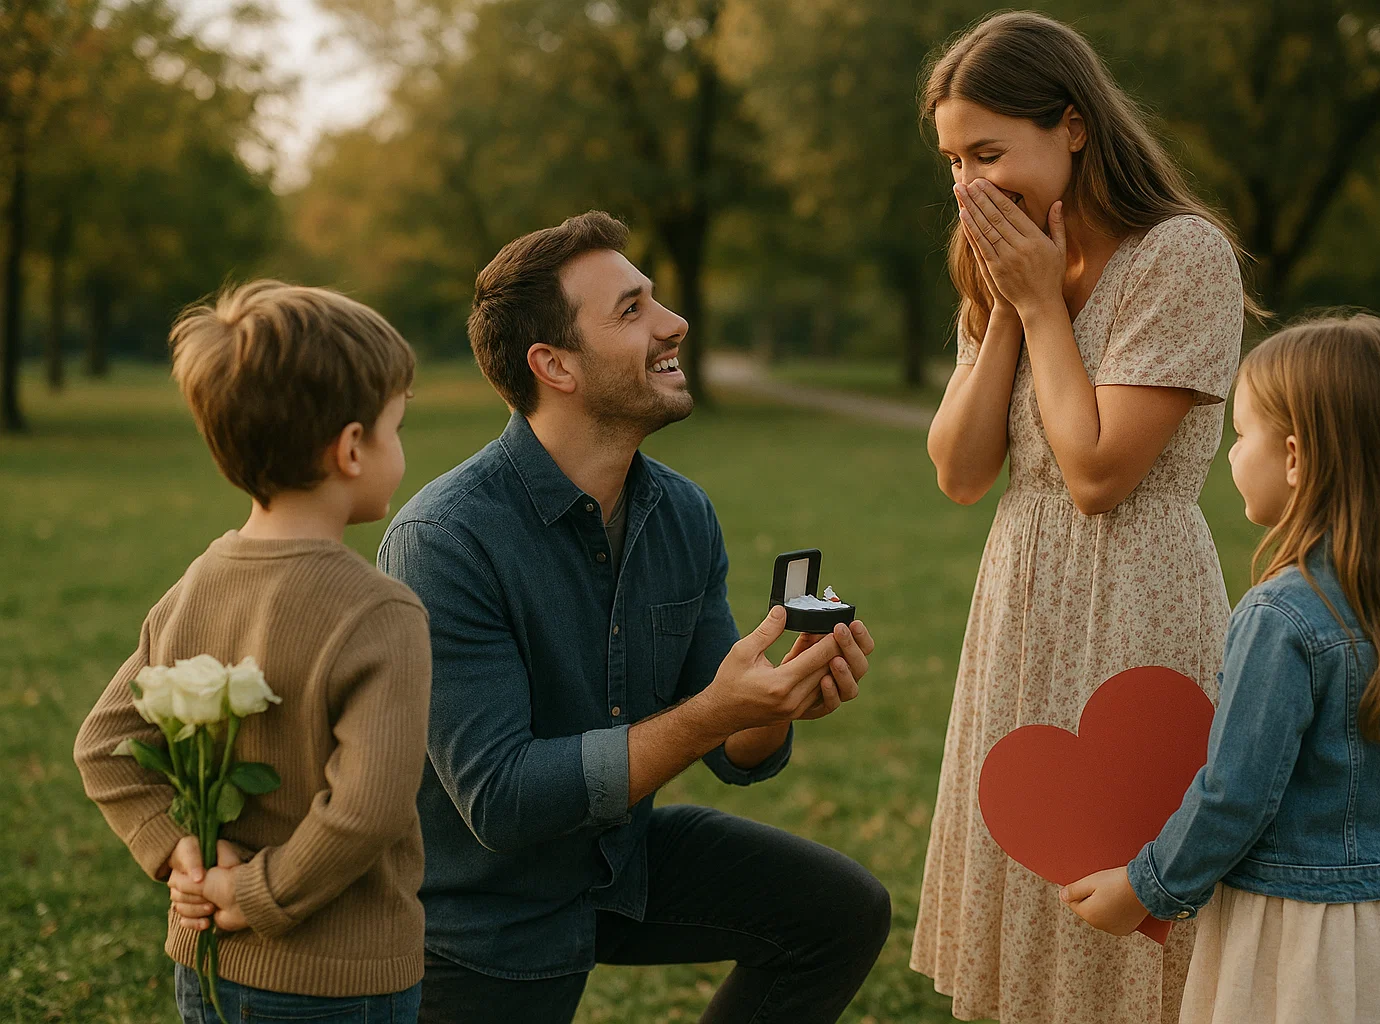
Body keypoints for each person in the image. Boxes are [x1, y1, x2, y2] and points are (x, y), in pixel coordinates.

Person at [377, 210, 890, 1023]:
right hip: (479, 919)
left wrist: (774, 701)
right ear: (555, 365)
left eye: (654, 299)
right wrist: (708, 717)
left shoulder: (681, 512)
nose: (674, 323)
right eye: (631, 310)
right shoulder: (443, 540)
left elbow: (732, 746)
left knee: (839, 912)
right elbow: (503, 802)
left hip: (621, 860)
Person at [912, 11, 1258, 1023]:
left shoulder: (1180, 257)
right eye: (950, 161)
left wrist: (1045, 311)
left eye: (987, 153)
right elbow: (963, 470)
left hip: (1138, 598)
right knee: (1026, 873)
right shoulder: (1003, 265)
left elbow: (1100, 471)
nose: (967, 186)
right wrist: (1014, 307)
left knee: (1131, 885)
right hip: (1019, 595)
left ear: (1071, 126)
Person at [1063, 314, 1380, 1024]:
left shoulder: (1281, 616)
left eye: (1241, 434)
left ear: (1294, 457)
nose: (1229, 456)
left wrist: (1145, 887)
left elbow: (1236, 797)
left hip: (1295, 937)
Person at [74, 281, 431, 1023]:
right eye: (397, 428)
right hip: (342, 982)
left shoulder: (198, 583)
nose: (402, 449)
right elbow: (367, 810)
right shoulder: (381, 611)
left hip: (206, 965)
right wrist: (258, 894)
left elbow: (104, 743)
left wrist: (184, 856)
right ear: (353, 448)